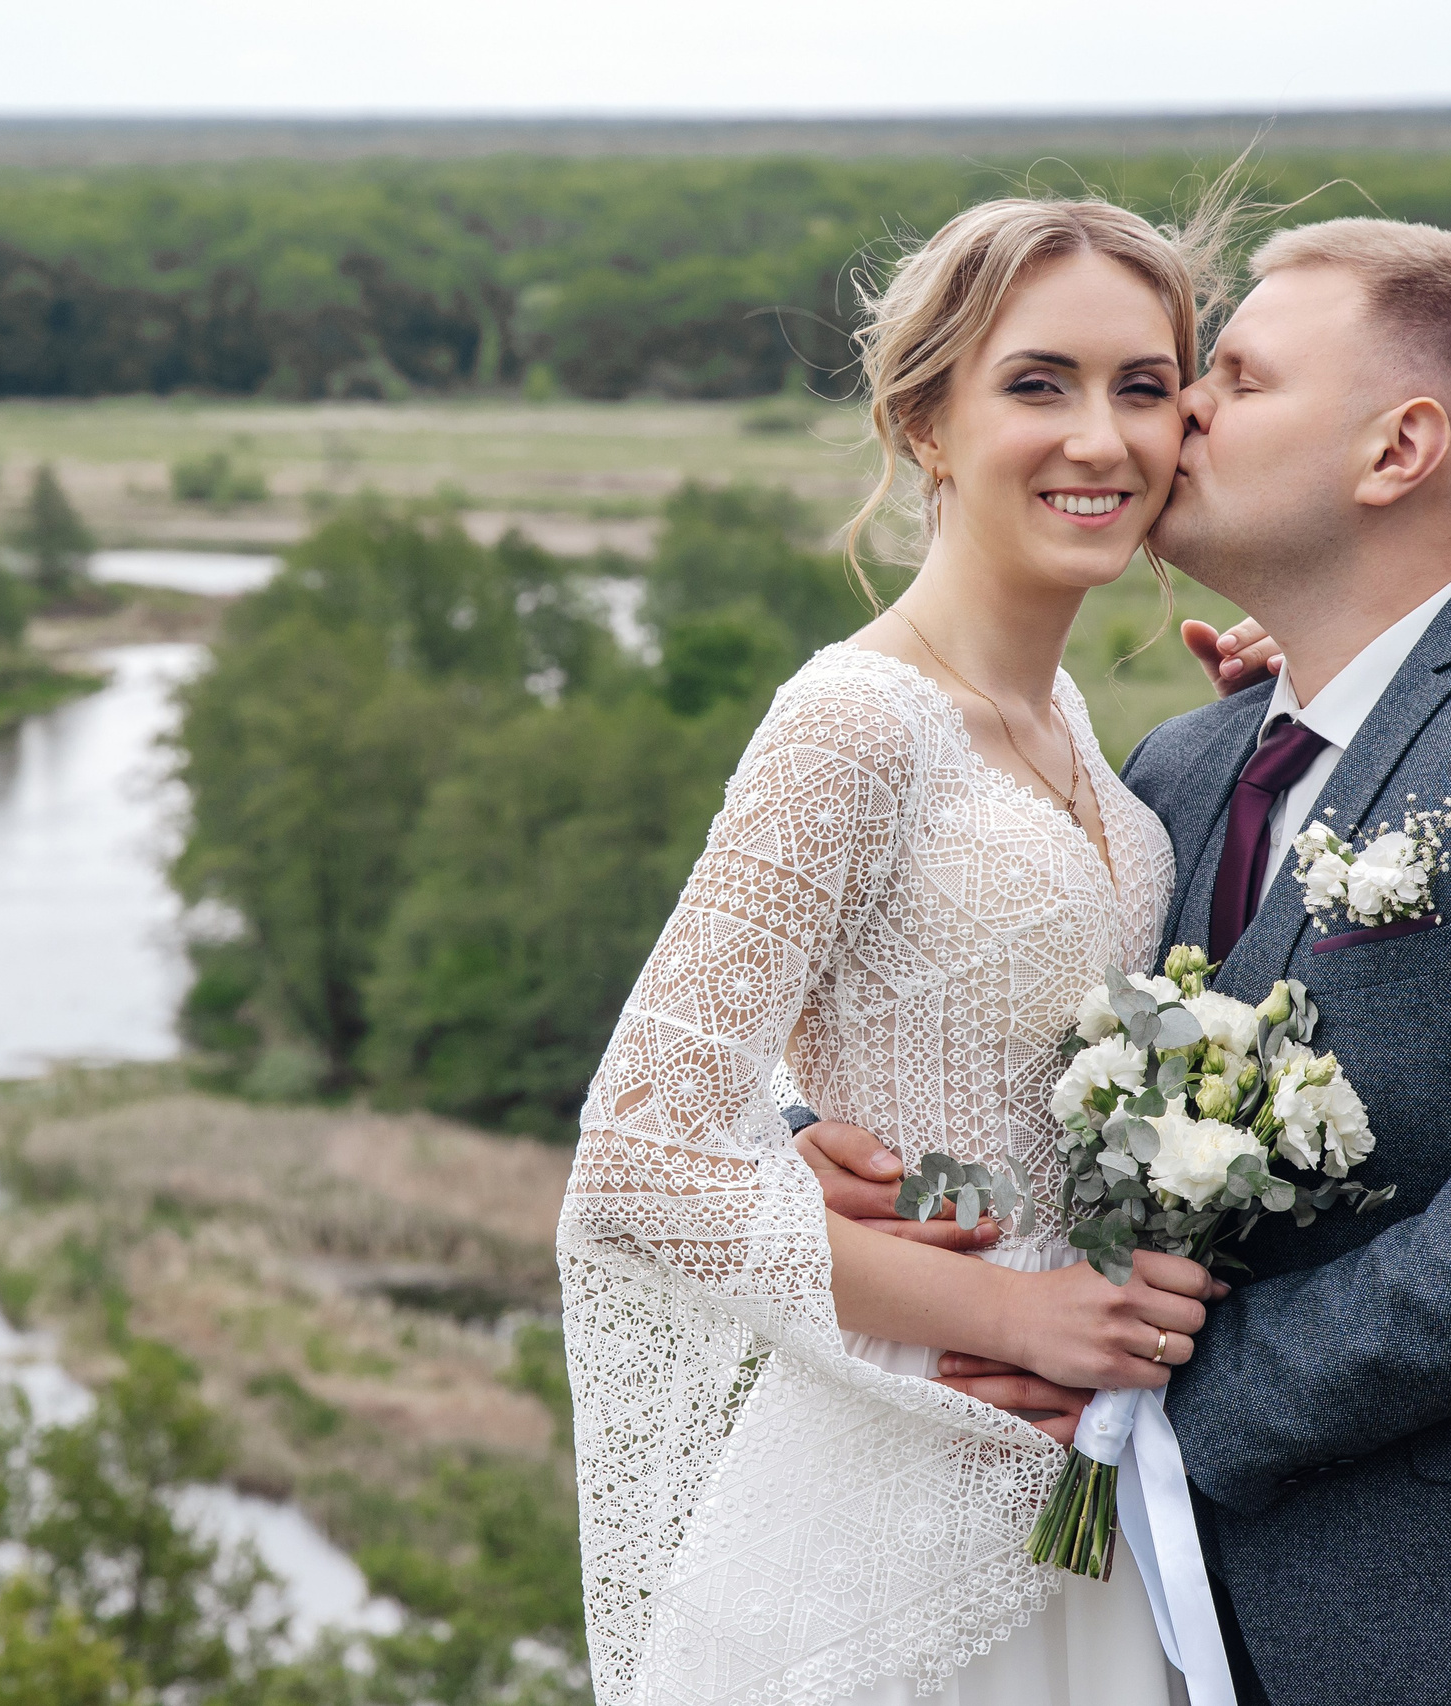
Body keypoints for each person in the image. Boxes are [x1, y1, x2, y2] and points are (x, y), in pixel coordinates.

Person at [800, 218, 1451, 1705]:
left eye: (1232, 374)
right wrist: (823, 1141)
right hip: (1178, 1633)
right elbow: (991, 1026)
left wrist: (1168, 1398)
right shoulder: (1183, 761)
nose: (1182, 415)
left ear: (1398, 449)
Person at [555, 196, 1237, 1706]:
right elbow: (636, 1167)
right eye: (1038, 383)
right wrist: (1019, 1311)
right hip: (886, 1486)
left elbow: (977, 1098)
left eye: (1145, 387)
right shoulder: (853, 725)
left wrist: (1287, 694)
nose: (1103, 438)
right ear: (925, 423)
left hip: (1075, 1489)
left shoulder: (1077, 734)